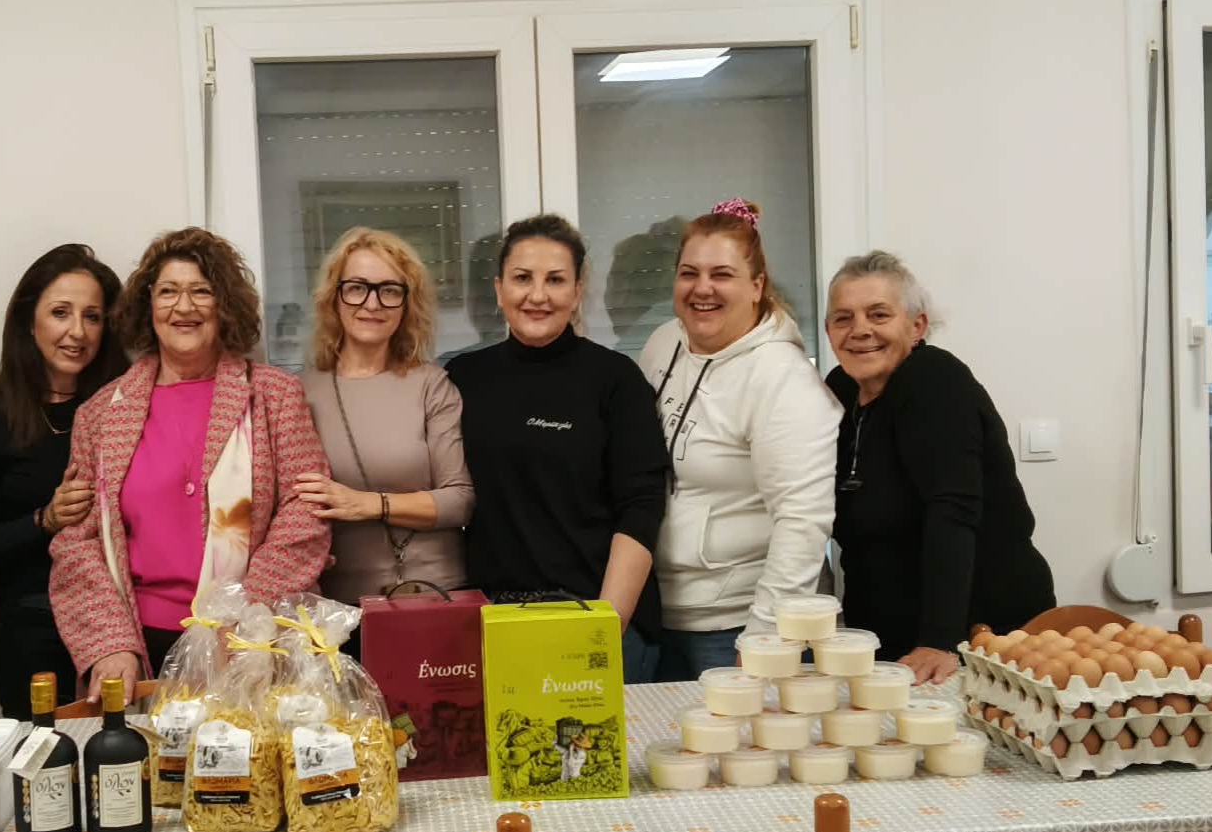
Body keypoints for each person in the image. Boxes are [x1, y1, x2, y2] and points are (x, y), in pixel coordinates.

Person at [49, 227, 331, 703]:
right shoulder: (100, 413)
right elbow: (77, 543)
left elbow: (307, 509)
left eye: (202, 291)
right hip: (141, 649)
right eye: (168, 292)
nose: (184, 307)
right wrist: (110, 645)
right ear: (148, 306)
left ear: (225, 305)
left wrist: (247, 611)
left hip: (252, 641)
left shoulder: (274, 395)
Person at [445, 214, 667, 683]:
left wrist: (603, 627)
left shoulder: (616, 380)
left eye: (556, 280)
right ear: (499, 288)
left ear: (578, 290)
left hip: (595, 614)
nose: (538, 295)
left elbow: (642, 507)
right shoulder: (463, 379)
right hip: (494, 623)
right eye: (522, 278)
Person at [824, 250, 1056, 683]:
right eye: (843, 318)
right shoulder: (839, 389)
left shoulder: (936, 381)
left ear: (917, 326)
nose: (860, 330)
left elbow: (953, 511)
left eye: (878, 314)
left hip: (978, 627)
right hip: (889, 628)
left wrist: (940, 639)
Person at [638, 200, 840, 680]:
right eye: (689, 273)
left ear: (756, 286)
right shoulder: (663, 344)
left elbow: (802, 521)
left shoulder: (782, 378)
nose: (702, 288)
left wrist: (764, 640)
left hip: (738, 626)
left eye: (722, 274)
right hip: (662, 615)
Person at [0, 244, 129, 720]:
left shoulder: (128, 407)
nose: (78, 332)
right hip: (34, 630)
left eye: (93, 316)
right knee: (44, 763)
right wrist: (44, 520)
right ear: (28, 322)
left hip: (124, 628)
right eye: (60, 313)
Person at [295, 228, 475, 616]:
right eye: (357, 287)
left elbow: (459, 500)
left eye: (389, 290)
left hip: (434, 597)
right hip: (333, 612)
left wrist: (367, 504)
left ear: (407, 304)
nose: (372, 303)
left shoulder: (431, 385)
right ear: (333, 298)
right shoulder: (299, 392)